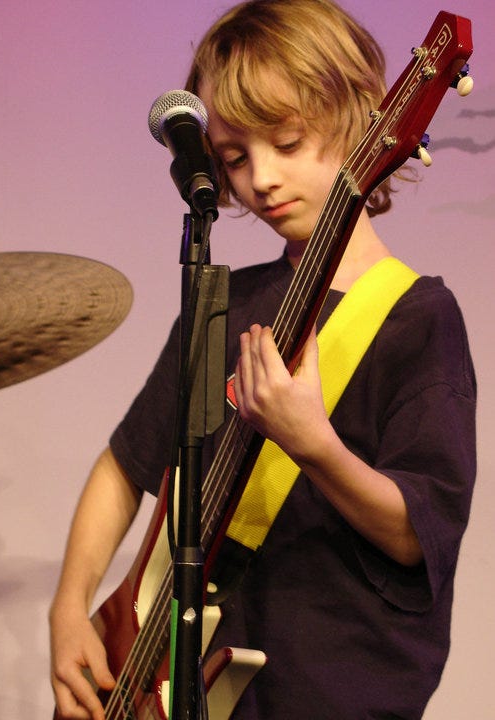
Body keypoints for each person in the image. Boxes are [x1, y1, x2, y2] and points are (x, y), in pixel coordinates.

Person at [49, 1, 476, 718]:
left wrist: (315, 446)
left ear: (363, 117)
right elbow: (125, 465)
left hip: (319, 692)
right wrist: (69, 608)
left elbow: (418, 533)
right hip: (169, 678)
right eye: (235, 159)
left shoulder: (419, 320)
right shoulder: (224, 303)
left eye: (285, 141)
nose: (260, 181)